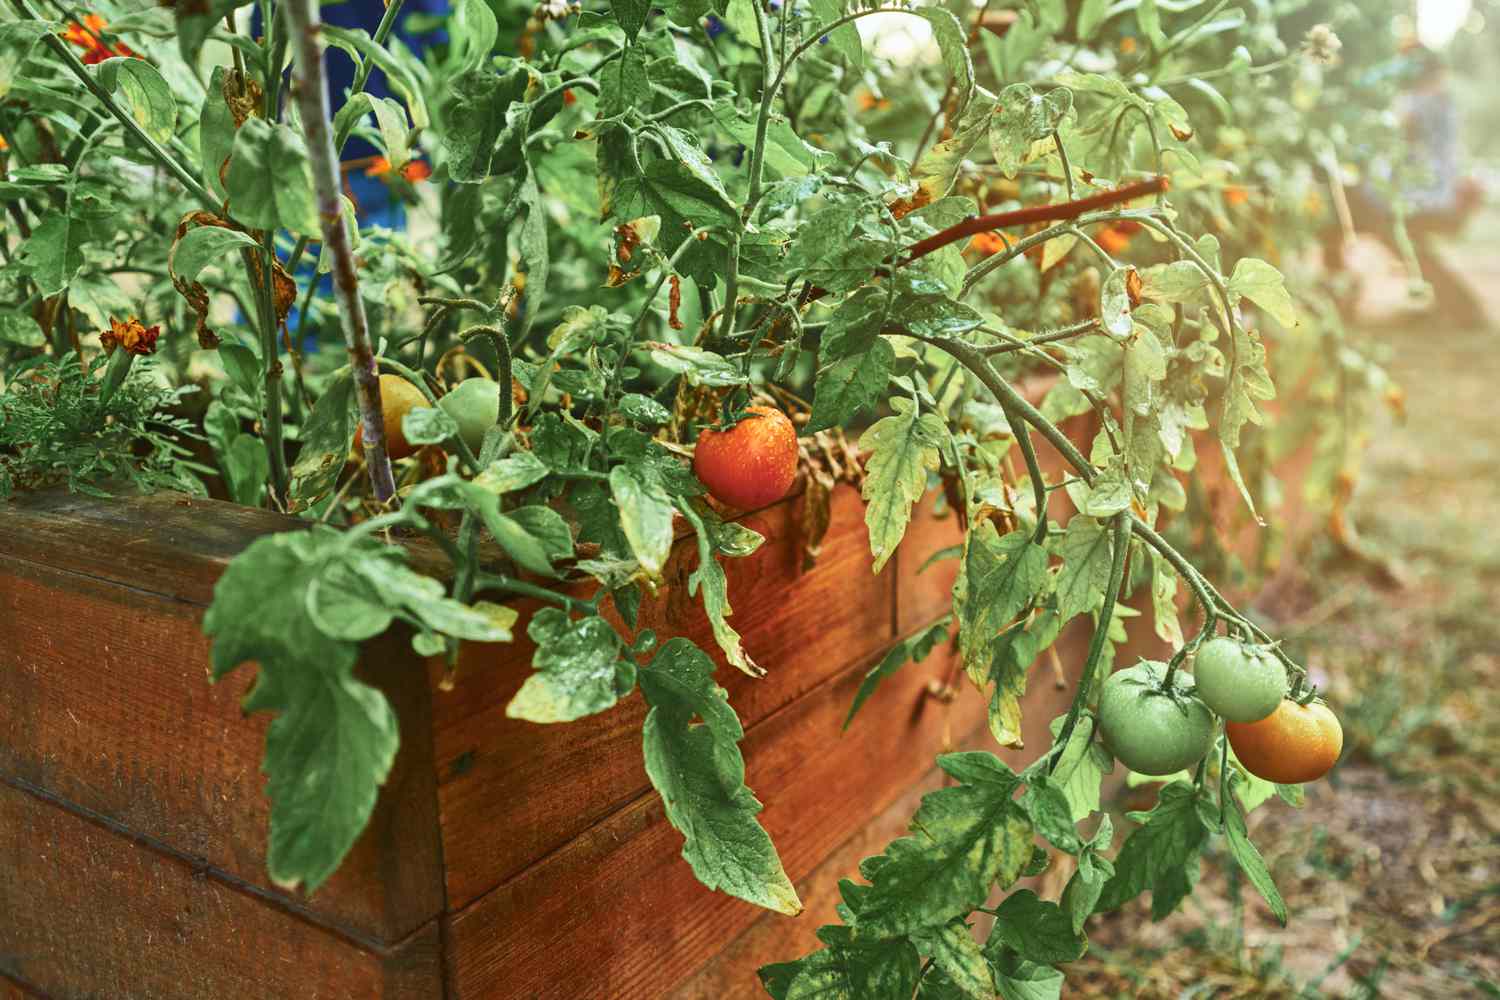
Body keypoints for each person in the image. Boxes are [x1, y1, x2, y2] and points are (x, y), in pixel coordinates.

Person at [1324, 45, 1488, 328]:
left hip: (1420, 196)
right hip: (1434, 193)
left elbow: (1389, 139)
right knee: (1389, 231)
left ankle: (1340, 289)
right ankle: (1461, 307)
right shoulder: (1442, 99)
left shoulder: (1417, 102)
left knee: (1342, 208)